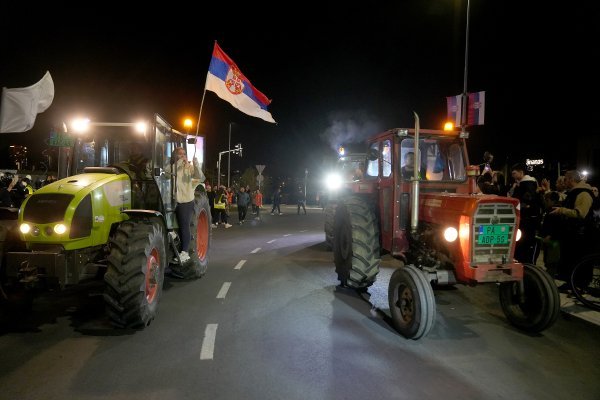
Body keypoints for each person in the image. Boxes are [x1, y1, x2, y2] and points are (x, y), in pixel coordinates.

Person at [548, 170, 596, 290]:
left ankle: (580, 285)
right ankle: (572, 283)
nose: (564, 182)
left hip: (582, 235)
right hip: (574, 234)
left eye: (565, 179)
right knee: (571, 260)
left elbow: (580, 213)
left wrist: (561, 211)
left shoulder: (583, 193)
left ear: (570, 179)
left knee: (579, 260)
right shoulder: (575, 192)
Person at [165, 147, 205, 263]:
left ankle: (185, 252)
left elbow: (199, 176)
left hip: (186, 201)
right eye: (180, 154)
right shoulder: (172, 167)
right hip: (173, 200)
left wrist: (195, 163)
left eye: (184, 154)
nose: (183, 156)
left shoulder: (188, 168)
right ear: (175, 156)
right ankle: (173, 238)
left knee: (184, 225)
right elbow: (167, 175)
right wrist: (178, 163)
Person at [509, 163, 542, 264]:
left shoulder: (527, 183)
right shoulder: (526, 183)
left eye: (514, 173)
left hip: (527, 219)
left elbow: (527, 199)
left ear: (521, 172)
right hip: (527, 218)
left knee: (524, 242)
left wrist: (521, 206)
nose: (513, 176)